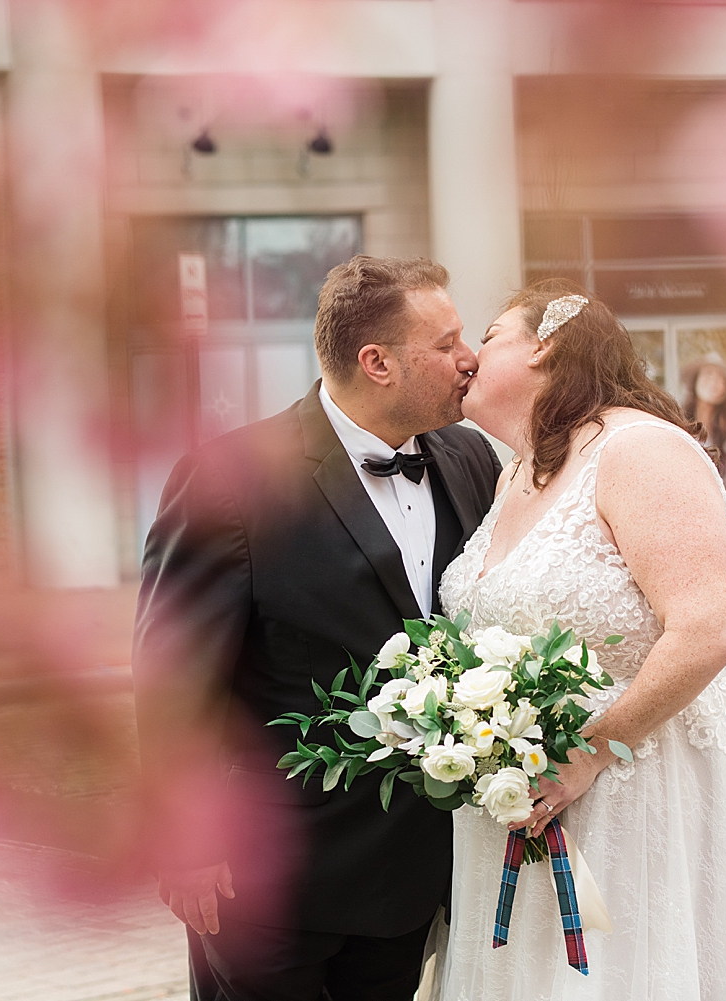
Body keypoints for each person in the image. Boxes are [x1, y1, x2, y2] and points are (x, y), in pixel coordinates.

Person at [133, 255, 503, 1001]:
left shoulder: (469, 457)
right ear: (378, 363)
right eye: (448, 342)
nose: (472, 359)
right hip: (263, 882)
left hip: (408, 876)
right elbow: (173, 676)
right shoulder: (230, 479)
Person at [435, 279, 726, 999]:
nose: (469, 358)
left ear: (544, 345)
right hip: (528, 803)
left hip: (635, 798)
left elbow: (710, 626)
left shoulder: (639, 448)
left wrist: (591, 751)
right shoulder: (516, 469)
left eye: (486, 337)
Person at [678, 351, 726, 523]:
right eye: (708, 374)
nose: (714, 382)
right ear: (695, 381)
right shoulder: (677, 427)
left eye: (721, 378)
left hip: (721, 519)